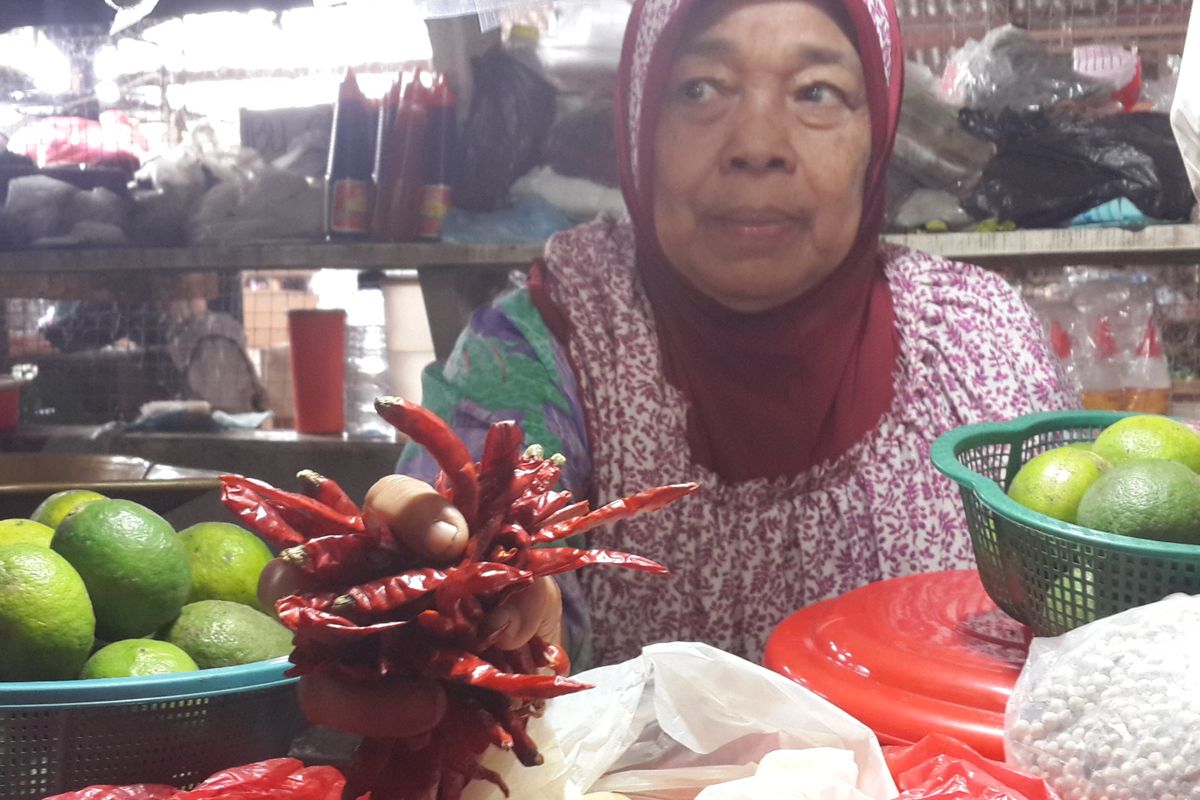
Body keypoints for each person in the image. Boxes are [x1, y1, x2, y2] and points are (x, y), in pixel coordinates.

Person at [265, 0, 1074, 738]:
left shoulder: (980, 346)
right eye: (700, 90)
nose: (757, 147)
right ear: (640, 125)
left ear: (879, 135)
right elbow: (472, 532)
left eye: (818, 93)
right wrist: (468, 603)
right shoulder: (555, 338)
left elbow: (1085, 634)